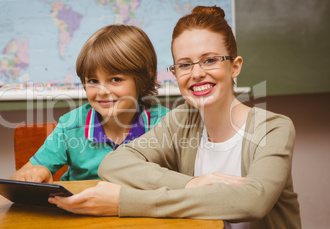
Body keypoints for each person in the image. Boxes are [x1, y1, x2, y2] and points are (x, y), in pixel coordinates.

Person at [47, 6, 301, 229]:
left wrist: (124, 202)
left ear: (235, 66)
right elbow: (113, 164)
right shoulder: (181, 120)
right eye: (185, 64)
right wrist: (191, 184)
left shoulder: (273, 128)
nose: (197, 73)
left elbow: (252, 202)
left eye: (210, 60)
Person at [10, 25, 170, 183]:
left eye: (115, 79)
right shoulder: (70, 126)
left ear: (143, 80)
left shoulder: (165, 123)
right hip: (81, 208)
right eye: (93, 81)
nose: (102, 91)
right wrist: (36, 172)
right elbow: (18, 178)